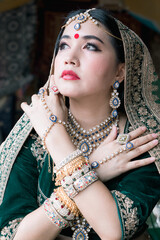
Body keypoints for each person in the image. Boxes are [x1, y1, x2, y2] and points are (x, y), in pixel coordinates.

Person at [0, 7, 160, 240]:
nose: (70, 58)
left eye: (90, 46)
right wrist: (95, 167)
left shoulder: (141, 139)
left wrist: (55, 136)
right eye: (63, 46)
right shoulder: (33, 136)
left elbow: (113, 230)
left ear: (120, 71)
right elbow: (15, 236)